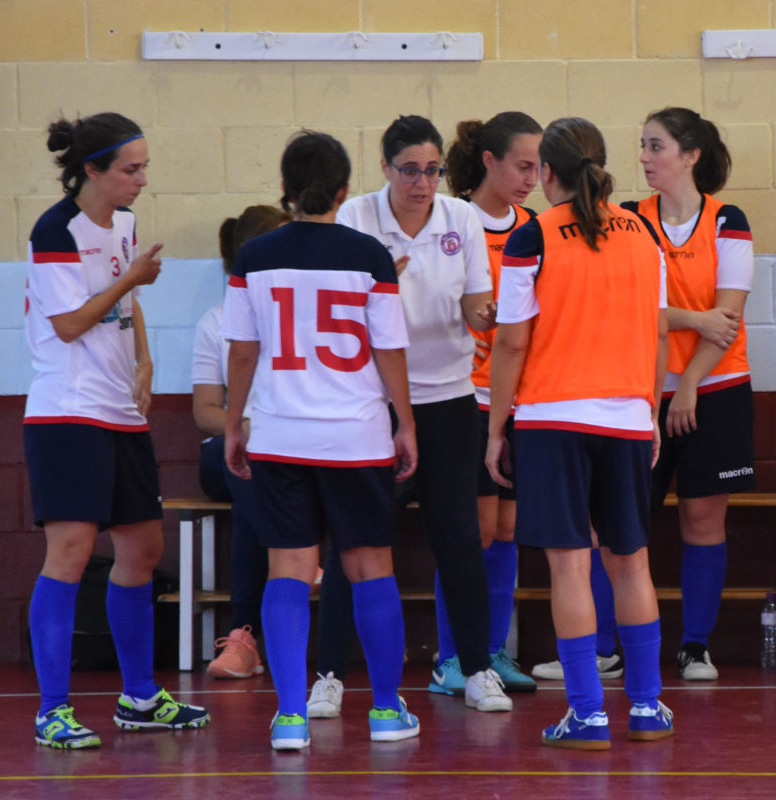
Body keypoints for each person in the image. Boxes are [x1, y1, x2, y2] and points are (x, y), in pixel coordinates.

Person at [221, 130, 420, 750]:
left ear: (284, 190)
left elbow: (243, 349)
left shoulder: (251, 256)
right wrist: (405, 420)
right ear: (343, 189)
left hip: (280, 434)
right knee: (369, 567)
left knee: (288, 568)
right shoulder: (371, 256)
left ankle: (289, 716)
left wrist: (234, 423)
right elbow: (388, 348)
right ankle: (386, 711)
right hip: (355, 436)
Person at [485, 116, 673, 749]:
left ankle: (588, 714)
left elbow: (511, 342)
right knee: (631, 563)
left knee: (570, 570)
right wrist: (647, 412)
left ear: (547, 173)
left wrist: (496, 428)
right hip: (625, 417)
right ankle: (646, 707)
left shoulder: (532, 236)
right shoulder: (645, 234)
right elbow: (657, 332)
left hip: (552, 420)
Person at [24, 112, 209, 749]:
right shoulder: (55, 231)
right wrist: (127, 280)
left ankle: (139, 698)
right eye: (130, 169)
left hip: (120, 412)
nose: (141, 180)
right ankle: (53, 711)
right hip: (67, 412)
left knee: (143, 550)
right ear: (93, 169)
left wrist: (146, 358)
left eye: (144, 167)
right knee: (71, 554)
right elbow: (70, 324)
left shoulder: (123, 225)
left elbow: (126, 307)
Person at [337, 115, 511, 712]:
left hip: (449, 398)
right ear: (384, 168)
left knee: (461, 538)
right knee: (357, 539)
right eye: (409, 170)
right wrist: (380, 283)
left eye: (432, 170)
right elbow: (339, 312)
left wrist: (498, 316)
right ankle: (329, 674)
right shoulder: (355, 218)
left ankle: (475, 669)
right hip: (373, 402)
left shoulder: (461, 217)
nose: (421, 182)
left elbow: (475, 306)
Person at [621, 107, 749, 682]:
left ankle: (695, 645)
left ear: (690, 155)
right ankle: (612, 647)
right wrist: (691, 316)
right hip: (638, 392)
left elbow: (728, 319)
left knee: (702, 520)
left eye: (656, 146)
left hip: (713, 388)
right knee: (624, 524)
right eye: (643, 146)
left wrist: (690, 382)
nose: (645, 157)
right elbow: (632, 310)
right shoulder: (626, 219)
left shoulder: (728, 220)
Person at [443, 110, 543, 693]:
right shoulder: (454, 222)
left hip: (523, 399)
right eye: (521, 165)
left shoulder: (536, 225)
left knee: (507, 530)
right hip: (467, 395)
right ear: (489, 161)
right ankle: (455, 657)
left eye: (538, 167)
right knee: (472, 531)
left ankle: (491, 653)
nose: (532, 177)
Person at [192, 204, 288, 679]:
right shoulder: (216, 321)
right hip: (234, 447)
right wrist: (245, 429)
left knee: (260, 480)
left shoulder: (300, 315)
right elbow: (204, 411)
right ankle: (287, 551)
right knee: (244, 467)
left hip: (285, 450)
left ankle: (244, 637)